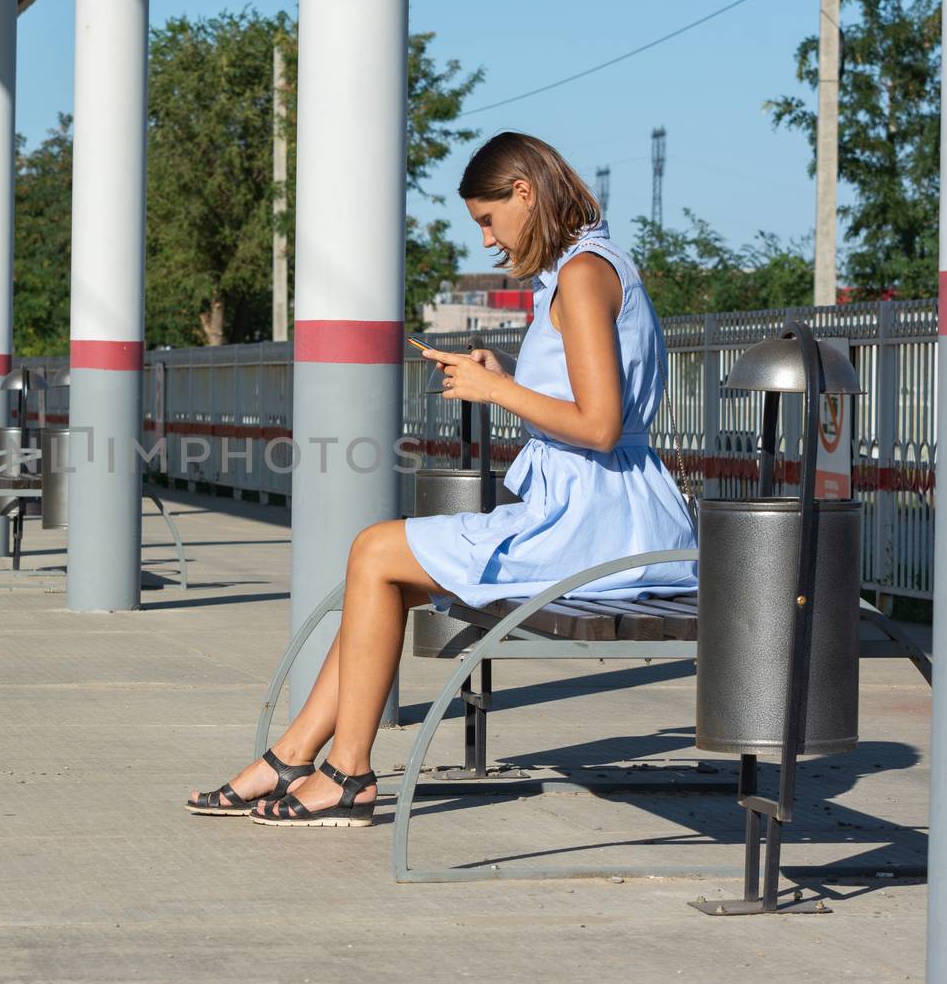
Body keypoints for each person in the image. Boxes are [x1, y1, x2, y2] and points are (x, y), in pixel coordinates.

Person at [185, 132, 699, 827]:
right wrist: (509, 377)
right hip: (604, 511)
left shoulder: (581, 275)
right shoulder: (589, 268)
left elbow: (601, 425)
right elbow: (597, 409)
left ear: (525, 192)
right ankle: (298, 752)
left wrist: (495, 390)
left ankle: (347, 770)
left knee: (374, 550)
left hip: (597, 524)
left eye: (489, 219)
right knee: (383, 568)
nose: (488, 240)